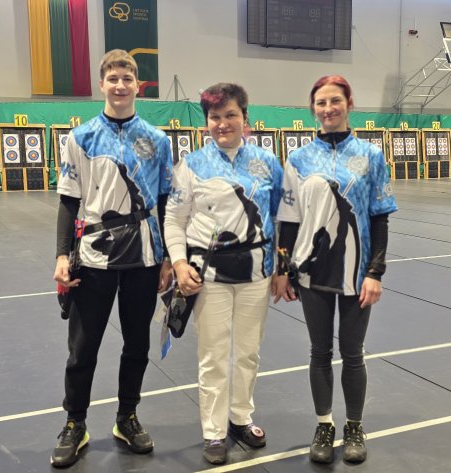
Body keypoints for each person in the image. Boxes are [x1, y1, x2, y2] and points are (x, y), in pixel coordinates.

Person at [50, 49, 174, 468]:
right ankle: (75, 423)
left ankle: (127, 417)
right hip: (93, 257)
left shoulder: (158, 140)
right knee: (83, 347)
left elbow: (165, 202)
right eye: (113, 79)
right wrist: (62, 255)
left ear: (138, 85)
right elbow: (69, 200)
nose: (120, 85)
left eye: (127, 78)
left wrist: (168, 258)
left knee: (137, 344)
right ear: (101, 84)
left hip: (144, 256)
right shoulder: (81, 137)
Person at [273, 75, 397, 464]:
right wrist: (283, 268)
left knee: (353, 353)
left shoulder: (371, 155)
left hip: (357, 274)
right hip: (312, 273)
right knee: (319, 352)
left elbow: (379, 217)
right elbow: (289, 220)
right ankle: (324, 425)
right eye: (321, 103)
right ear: (313, 109)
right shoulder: (298, 159)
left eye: (335, 101)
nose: (328, 109)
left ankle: (354, 426)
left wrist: (375, 272)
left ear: (349, 104)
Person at [163, 83, 283, 465]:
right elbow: (174, 220)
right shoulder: (191, 166)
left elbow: (282, 217)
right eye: (215, 117)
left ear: (246, 119)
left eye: (231, 115)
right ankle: (214, 432)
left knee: (248, 352)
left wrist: (281, 267)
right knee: (214, 356)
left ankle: (240, 418)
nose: (222, 123)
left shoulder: (268, 163)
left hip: (256, 274)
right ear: (206, 122)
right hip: (208, 277)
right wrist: (179, 264)